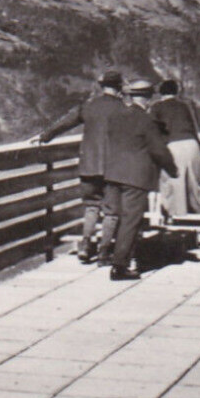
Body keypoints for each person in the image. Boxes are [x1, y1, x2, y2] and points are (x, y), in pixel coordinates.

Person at [34, 70, 129, 263]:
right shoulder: (124, 109)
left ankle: (85, 246)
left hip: (89, 166)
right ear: (119, 88)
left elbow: (65, 123)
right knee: (112, 211)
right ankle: (104, 252)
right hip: (113, 168)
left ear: (102, 86)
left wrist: (44, 136)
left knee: (91, 207)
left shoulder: (88, 106)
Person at [96, 80, 178, 280]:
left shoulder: (115, 117)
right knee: (131, 222)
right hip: (136, 177)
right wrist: (172, 169)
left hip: (113, 174)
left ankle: (111, 254)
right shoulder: (146, 120)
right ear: (149, 98)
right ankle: (120, 266)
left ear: (131, 96)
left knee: (117, 218)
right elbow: (158, 150)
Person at [150, 80, 200, 223]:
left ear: (161, 93)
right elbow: (195, 128)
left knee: (169, 181)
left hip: (173, 145)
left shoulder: (157, 107)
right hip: (192, 145)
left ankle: (171, 216)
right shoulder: (185, 106)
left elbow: (154, 132)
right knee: (194, 184)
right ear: (176, 92)